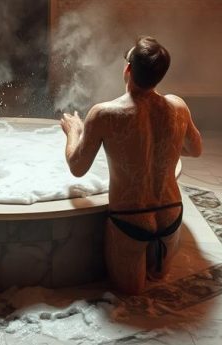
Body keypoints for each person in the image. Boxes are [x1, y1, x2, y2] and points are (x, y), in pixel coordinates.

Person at [60, 36, 203, 295]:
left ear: (127, 69)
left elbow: (77, 167)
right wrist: (166, 143)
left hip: (130, 221)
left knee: (130, 295)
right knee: (157, 281)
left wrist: (73, 131)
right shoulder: (178, 108)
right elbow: (196, 149)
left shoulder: (104, 114)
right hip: (171, 215)